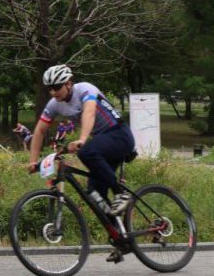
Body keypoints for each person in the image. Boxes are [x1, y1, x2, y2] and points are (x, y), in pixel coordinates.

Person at [27, 65, 137, 259]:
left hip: (119, 135)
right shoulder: (54, 104)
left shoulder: (86, 89)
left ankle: (122, 193)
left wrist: (82, 139)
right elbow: (40, 131)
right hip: (102, 144)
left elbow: (89, 113)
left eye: (57, 87)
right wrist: (33, 161)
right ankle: (121, 238)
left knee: (86, 152)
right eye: (50, 88)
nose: (53, 92)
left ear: (69, 83)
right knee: (95, 193)